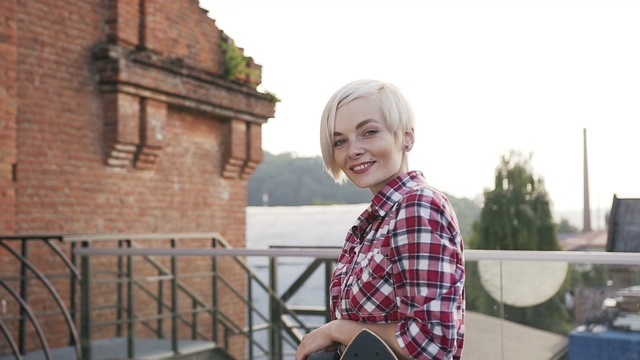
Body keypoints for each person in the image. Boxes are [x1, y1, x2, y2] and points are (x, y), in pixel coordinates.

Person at [295, 79, 465, 360]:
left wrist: (337, 329)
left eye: (369, 132)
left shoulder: (418, 206)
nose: (353, 150)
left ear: (407, 137)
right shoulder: (374, 221)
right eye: (340, 141)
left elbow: (433, 344)